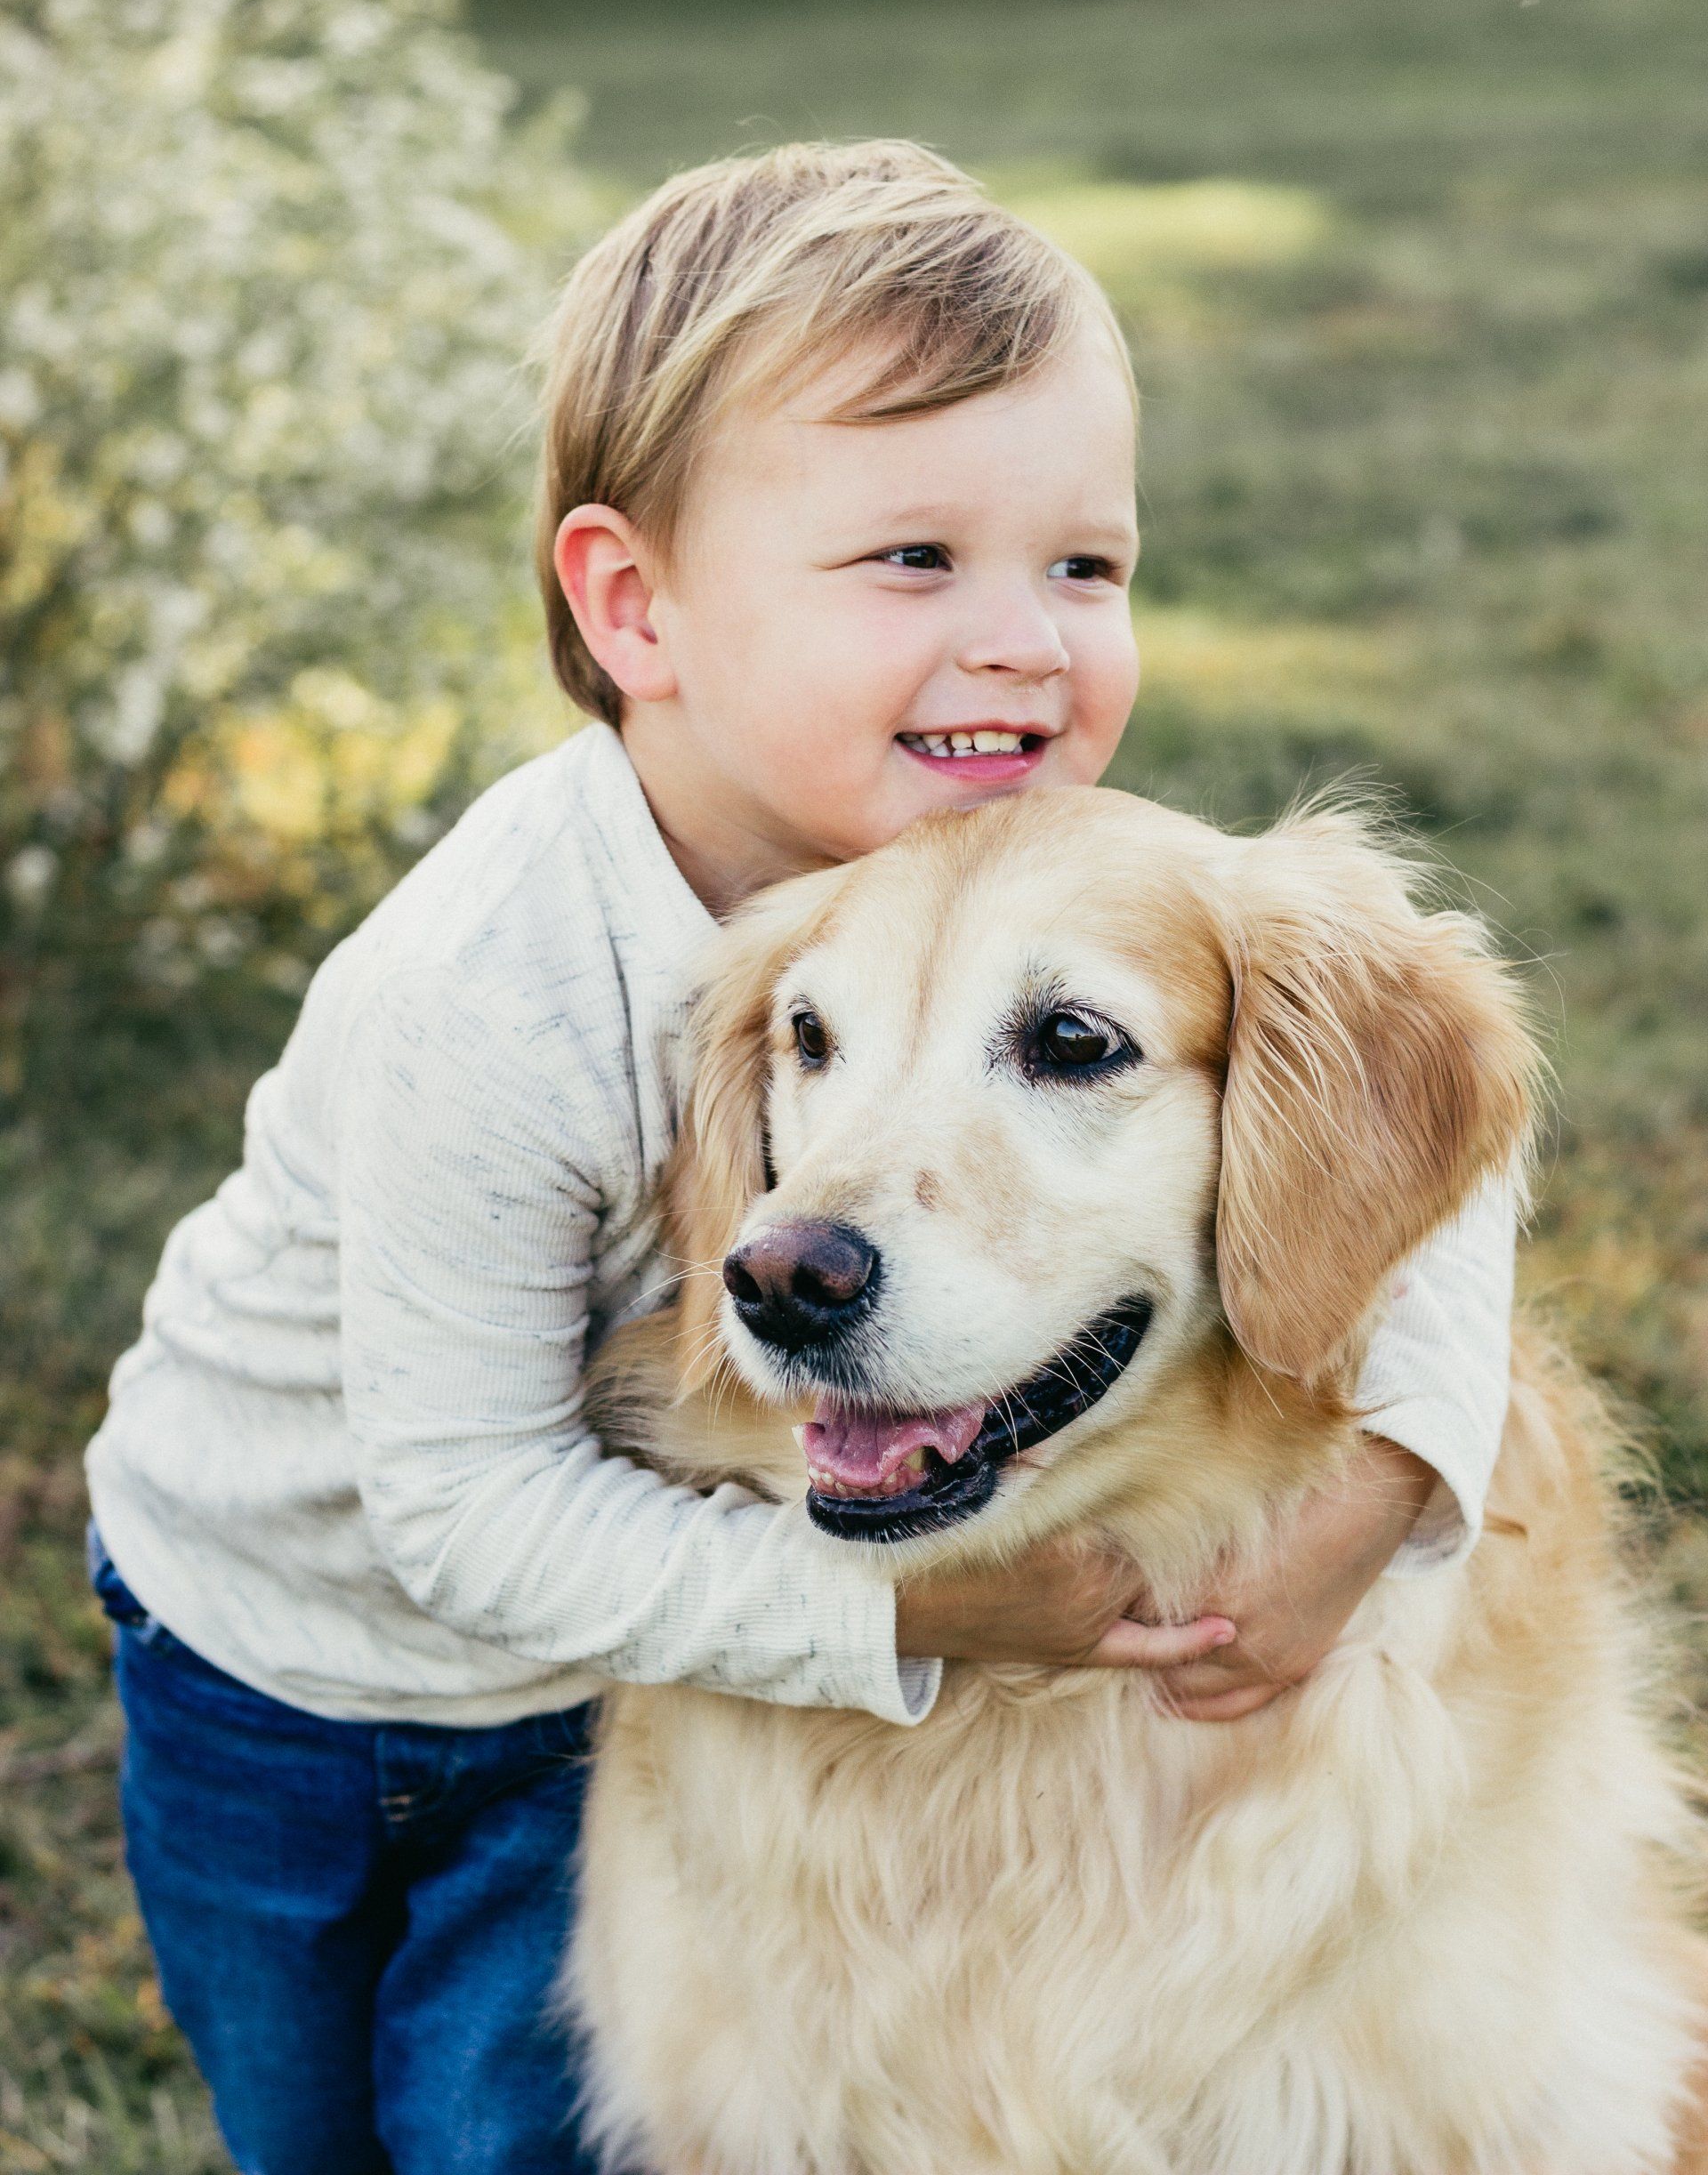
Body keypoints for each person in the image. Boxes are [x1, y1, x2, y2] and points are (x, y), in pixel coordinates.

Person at [85, 141, 1515, 2174]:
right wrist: (917, 1622)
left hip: (622, 1677)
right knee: (306, 2129)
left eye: (1084, 567)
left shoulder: (1007, 836)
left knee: (517, 2134)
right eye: (915, 561)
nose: (1024, 643)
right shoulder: (482, 1005)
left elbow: (1395, 1101)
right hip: (285, 1661)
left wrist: (1392, 1474)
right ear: (636, 607)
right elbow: (460, 1508)